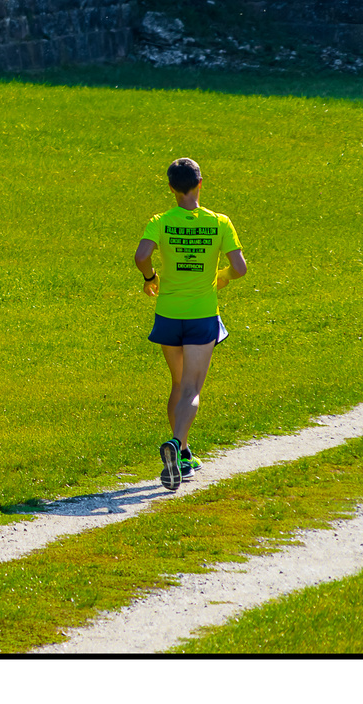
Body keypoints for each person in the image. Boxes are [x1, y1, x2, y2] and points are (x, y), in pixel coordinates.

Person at [134, 158, 247, 490]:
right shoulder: (219, 222)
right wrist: (220, 279)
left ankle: (183, 452)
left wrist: (150, 277)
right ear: (201, 183)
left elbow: (141, 255)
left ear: (171, 188)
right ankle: (176, 446)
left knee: (177, 384)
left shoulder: (161, 221)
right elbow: (239, 268)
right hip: (201, 316)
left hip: (168, 313)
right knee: (191, 390)